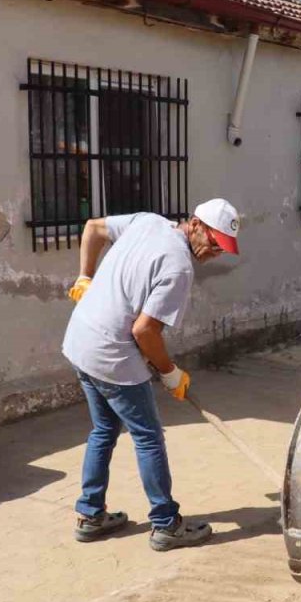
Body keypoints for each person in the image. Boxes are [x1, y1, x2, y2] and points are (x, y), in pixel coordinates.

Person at [62, 199, 241, 551]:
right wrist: (170, 372)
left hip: (80, 339)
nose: (216, 252)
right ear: (195, 225)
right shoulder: (178, 268)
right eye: (215, 242)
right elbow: (145, 332)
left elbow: (93, 228)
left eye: (224, 247)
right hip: (110, 353)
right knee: (148, 437)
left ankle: (90, 514)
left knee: (104, 429)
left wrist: (85, 276)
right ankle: (166, 524)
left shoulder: (147, 221)